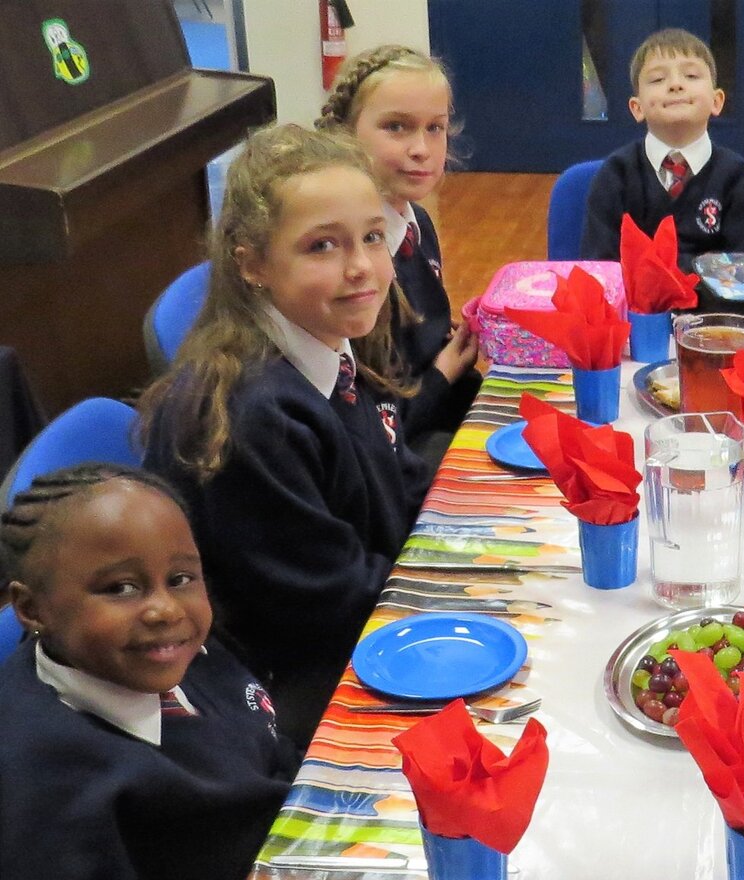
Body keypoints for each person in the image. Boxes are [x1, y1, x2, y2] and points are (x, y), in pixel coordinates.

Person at [139, 124, 431, 745]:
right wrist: (456, 581)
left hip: (354, 600)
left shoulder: (332, 341)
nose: (361, 268)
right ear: (252, 264)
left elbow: (395, 471)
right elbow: (327, 604)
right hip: (290, 679)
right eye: (322, 246)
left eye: (372, 237)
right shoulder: (253, 415)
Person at [0, 464, 297, 880]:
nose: (166, 610)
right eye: (121, 588)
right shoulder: (51, 804)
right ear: (32, 609)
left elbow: (266, 743)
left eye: (180, 578)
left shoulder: (167, 653)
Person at [317, 45, 483, 462]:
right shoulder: (349, 266)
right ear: (345, 135)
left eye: (435, 128)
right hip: (393, 453)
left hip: (437, 408)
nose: (421, 149)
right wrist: (447, 369)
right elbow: (373, 425)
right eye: (396, 127)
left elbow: (422, 340)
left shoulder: (417, 224)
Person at [580, 27, 744, 271]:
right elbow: (600, 268)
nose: (676, 85)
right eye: (658, 79)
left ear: (716, 101)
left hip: (715, 309)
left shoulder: (738, 180)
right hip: (633, 308)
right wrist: (700, 266)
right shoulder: (616, 175)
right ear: (637, 108)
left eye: (691, 76)